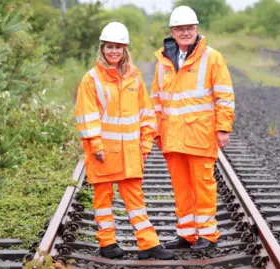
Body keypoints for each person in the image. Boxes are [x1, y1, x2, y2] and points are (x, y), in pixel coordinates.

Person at [74, 22, 175, 260]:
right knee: (103, 197)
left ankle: (148, 244)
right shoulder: (91, 80)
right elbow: (87, 116)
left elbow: (146, 113)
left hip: (130, 152)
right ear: (102, 49)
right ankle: (107, 243)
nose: (113, 52)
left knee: (135, 199)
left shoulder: (134, 77)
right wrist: (97, 145)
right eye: (109, 47)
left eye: (118, 47)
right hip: (103, 152)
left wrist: (146, 143)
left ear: (125, 50)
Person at [150, 6, 235, 252]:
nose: (185, 32)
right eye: (180, 29)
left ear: (196, 29)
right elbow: (155, 98)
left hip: (200, 135)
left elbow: (225, 97)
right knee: (181, 188)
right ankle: (186, 234)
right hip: (172, 137)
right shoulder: (163, 61)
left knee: (203, 186)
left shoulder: (212, 57)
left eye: (189, 28)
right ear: (173, 32)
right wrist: (156, 130)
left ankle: (207, 235)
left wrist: (223, 128)